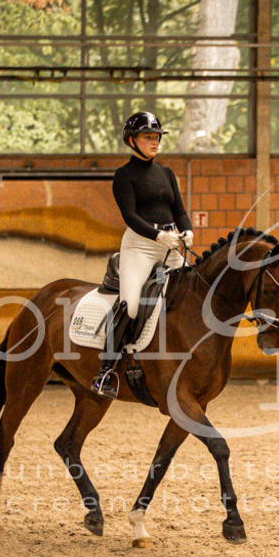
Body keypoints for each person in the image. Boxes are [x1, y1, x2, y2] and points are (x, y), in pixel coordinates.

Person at [92, 111, 194, 398]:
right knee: (132, 306)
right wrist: (158, 235)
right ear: (132, 140)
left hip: (171, 244)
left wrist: (186, 231)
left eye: (157, 137)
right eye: (149, 137)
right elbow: (130, 216)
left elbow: (180, 211)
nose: (155, 141)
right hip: (139, 245)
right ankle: (107, 370)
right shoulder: (124, 176)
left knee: (194, 290)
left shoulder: (167, 173)